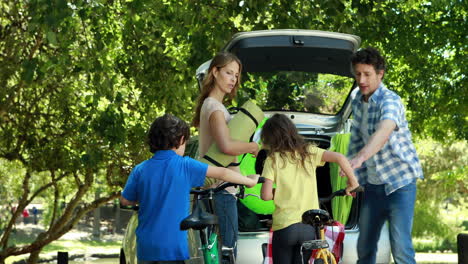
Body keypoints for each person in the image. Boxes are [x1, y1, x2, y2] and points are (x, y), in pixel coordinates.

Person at [120, 114, 259, 264]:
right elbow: (223, 172)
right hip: (172, 249)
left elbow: (125, 200)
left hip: (146, 248)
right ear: (180, 140)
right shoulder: (185, 165)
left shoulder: (140, 169)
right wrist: (249, 181)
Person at [347, 47, 424, 264]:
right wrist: (353, 176)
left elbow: (383, 133)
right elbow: (356, 137)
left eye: (367, 74)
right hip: (373, 184)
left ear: (380, 74)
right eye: (358, 73)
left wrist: (360, 158)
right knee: (365, 247)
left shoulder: (390, 100)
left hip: (400, 183)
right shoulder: (356, 98)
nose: (361, 79)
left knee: (400, 247)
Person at [259, 113, 360, 264]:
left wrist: (279, 192)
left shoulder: (272, 159)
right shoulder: (309, 151)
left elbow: (265, 195)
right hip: (309, 228)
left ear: (270, 138)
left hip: (284, 228)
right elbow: (340, 157)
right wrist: (353, 183)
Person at [192, 52, 259, 255]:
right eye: (229, 73)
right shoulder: (215, 108)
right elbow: (226, 147)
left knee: (220, 251)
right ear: (215, 71)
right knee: (227, 252)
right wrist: (252, 147)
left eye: (236, 75)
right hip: (220, 191)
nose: (233, 79)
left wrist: (241, 177)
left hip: (220, 189)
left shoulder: (212, 106)